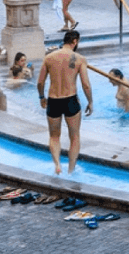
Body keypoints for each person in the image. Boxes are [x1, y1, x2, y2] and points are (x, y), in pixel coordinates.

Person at [36, 30, 92, 175]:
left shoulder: (49, 57)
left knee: (54, 136)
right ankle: (71, 169)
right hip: (70, 100)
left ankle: (57, 165)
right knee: (74, 136)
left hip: (54, 100)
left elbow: (40, 82)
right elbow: (86, 84)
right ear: (75, 42)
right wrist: (90, 101)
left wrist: (42, 97)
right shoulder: (79, 58)